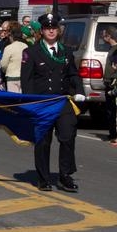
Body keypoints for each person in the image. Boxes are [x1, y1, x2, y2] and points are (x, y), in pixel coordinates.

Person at [21, 12, 83, 193]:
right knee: (43, 141)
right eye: (47, 28)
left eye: (54, 28)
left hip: (61, 100)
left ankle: (65, 175)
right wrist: (30, 103)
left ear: (58, 30)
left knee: (68, 136)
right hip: (42, 102)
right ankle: (43, 177)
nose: (51, 31)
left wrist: (79, 90)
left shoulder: (66, 51)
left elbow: (73, 74)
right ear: (42, 31)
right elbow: (27, 80)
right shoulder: (31, 52)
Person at [101, 29, 117, 142]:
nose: (103, 38)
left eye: (105, 35)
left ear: (110, 36)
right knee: (110, 108)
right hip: (109, 81)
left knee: (113, 108)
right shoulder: (112, 49)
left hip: (114, 82)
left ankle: (115, 133)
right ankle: (113, 132)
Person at [0, 24, 27, 93]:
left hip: (12, 77)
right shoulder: (26, 46)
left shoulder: (9, 47)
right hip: (24, 76)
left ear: (11, 37)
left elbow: (3, 64)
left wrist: (5, 71)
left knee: (14, 99)